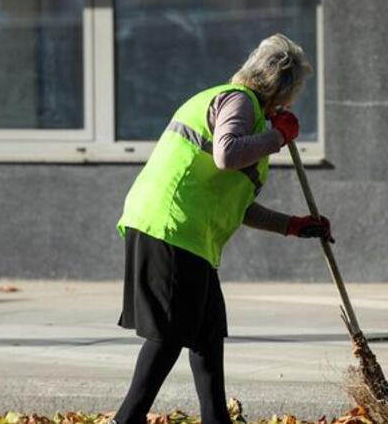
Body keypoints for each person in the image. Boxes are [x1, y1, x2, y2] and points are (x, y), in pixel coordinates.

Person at [113, 33, 333, 424]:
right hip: (171, 226)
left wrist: (293, 226)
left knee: (207, 336)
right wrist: (278, 136)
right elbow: (227, 154)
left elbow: (239, 205)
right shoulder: (238, 101)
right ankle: (126, 420)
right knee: (169, 335)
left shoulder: (252, 116)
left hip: (190, 236)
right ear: (282, 88)